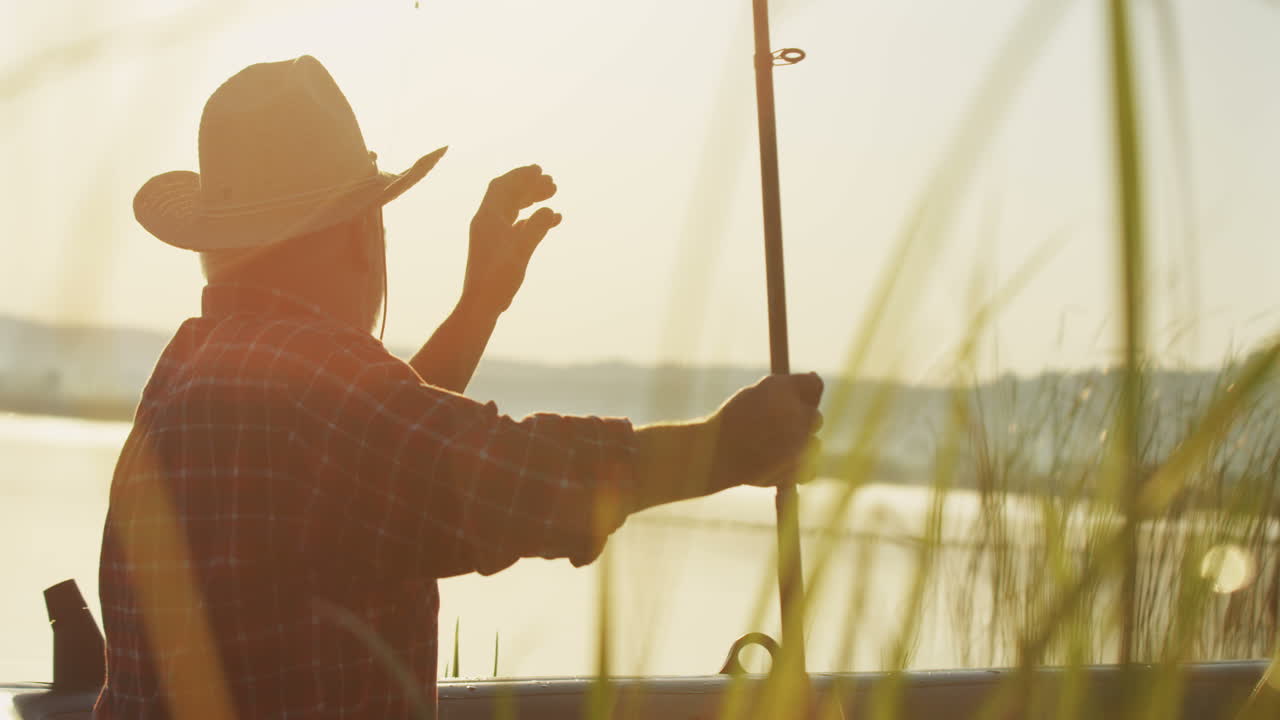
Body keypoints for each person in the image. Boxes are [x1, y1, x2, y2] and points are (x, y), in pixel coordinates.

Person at [96, 55, 823, 720]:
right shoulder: (311, 397)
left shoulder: (188, 372)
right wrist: (727, 449)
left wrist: (477, 309)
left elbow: (367, 471)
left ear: (216, 246)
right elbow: (517, 480)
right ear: (358, 234)